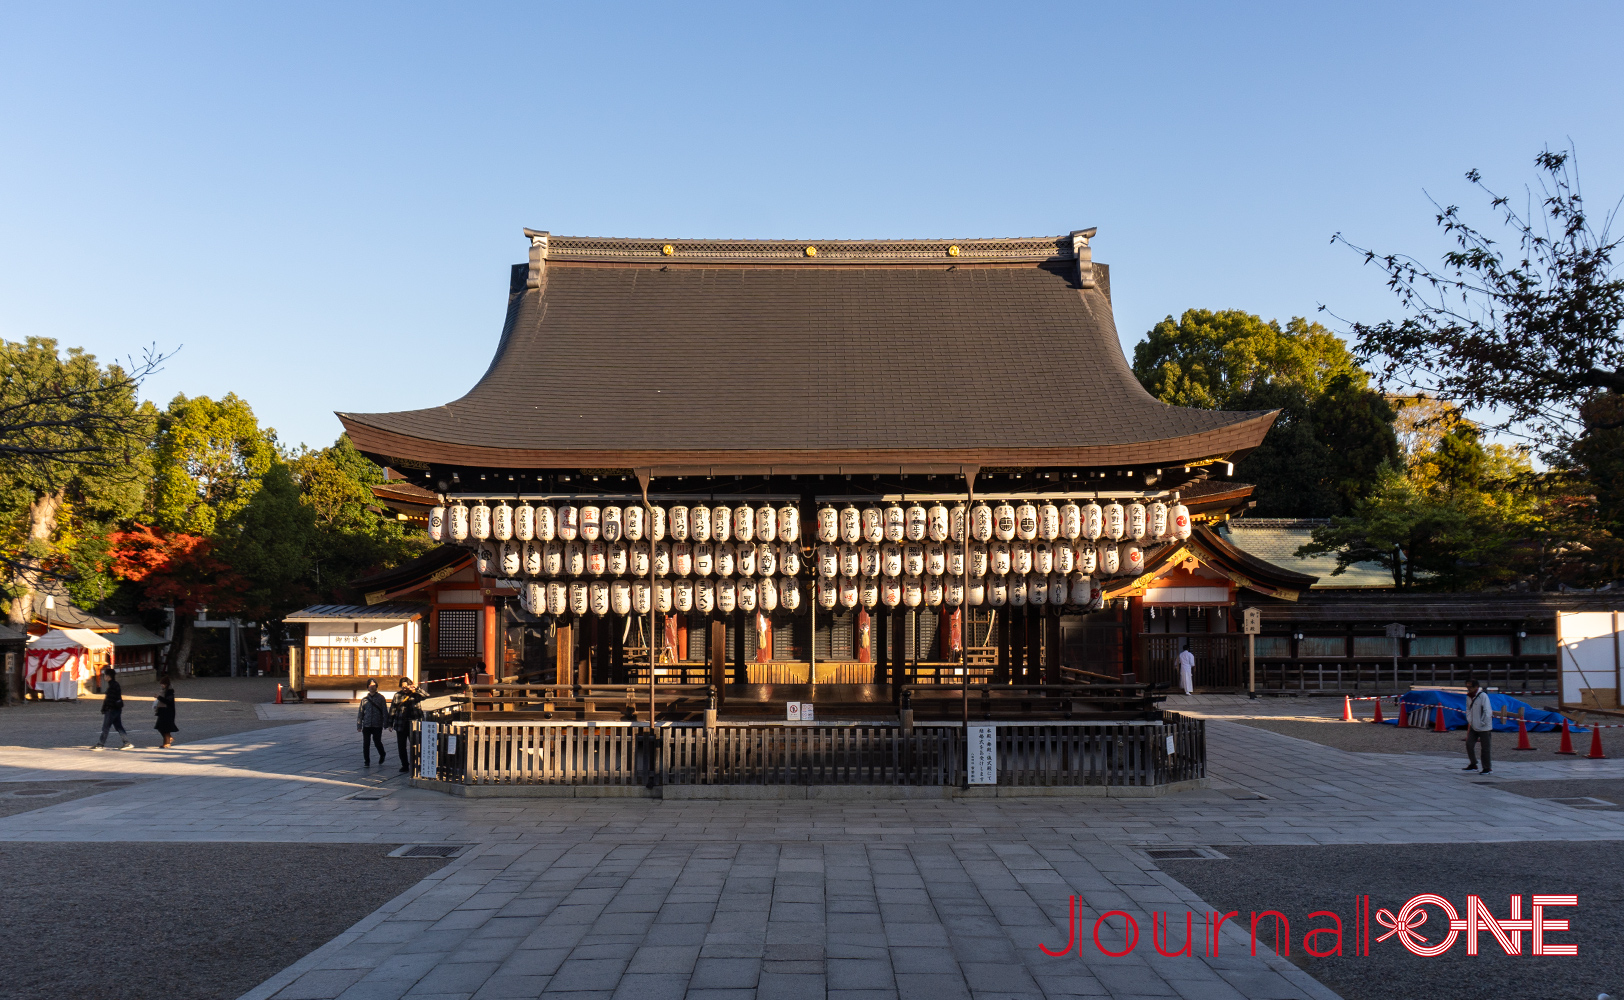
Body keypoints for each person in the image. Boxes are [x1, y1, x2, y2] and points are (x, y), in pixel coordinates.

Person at [91, 666, 133, 751]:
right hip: (117, 709)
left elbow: (110, 700)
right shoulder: (115, 684)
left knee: (106, 728)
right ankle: (126, 742)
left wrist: (105, 708)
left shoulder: (112, 686)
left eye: (105, 675)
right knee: (118, 727)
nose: (104, 677)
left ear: (108, 676)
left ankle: (100, 744)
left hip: (111, 710)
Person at [390, 677, 424, 773]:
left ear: (410, 685)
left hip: (414, 724)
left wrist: (416, 689)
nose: (404, 688)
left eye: (406, 686)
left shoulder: (415, 694)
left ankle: (416, 764)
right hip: (401, 724)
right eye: (402, 686)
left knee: (415, 745)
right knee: (401, 746)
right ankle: (404, 765)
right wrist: (390, 723)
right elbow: (393, 709)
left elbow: (426, 696)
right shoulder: (397, 695)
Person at [357, 679, 390, 766]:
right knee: (366, 743)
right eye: (370, 686)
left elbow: (384, 711)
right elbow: (360, 712)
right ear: (367, 687)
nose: (372, 687)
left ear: (376, 687)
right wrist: (359, 724)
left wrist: (386, 723)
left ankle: (382, 753)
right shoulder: (364, 700)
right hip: (367, 724)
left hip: (377, 724)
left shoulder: (381, 698)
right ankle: (367, 761)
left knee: (377, 741)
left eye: (374, 685)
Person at [1463, 679, 1493, 774]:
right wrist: (1470, 719)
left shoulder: (1483, 696)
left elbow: (1487, 711)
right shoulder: (1469, 697)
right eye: (1467, 687)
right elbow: (1468, 709)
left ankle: (1487, 767)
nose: (1469, 689)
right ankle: (1473, 763)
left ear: (1476, 687)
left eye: (1470, 687)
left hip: (1484, 726)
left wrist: (1483, 722)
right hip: (1473, 724)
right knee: (1469, 744)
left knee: (1485, 748)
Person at [154, 675, 179, 748]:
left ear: (166, 684)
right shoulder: (163, 690)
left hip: (168, 711)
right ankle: (169, 739)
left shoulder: (170, 691)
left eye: (163, 684)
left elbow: (168, 701)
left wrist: (158, 697)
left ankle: (167, 743)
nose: (162, 685)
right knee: (160, 727)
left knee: (165, 727)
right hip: (162, 710)